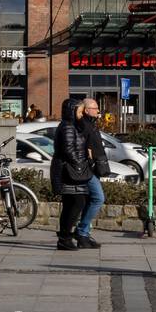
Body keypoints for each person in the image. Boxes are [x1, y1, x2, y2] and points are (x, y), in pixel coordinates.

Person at [49, 98, 91, 251]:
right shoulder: (67, 126)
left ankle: (65, 237)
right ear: (72, 111)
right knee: (77, 202)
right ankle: (65, 237)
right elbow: (68, 150)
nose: (82, 114)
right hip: (68, 171)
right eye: (79, 111)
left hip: (70, 169)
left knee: (70, 205)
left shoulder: (73, 125)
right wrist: (80, 164)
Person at [73, 97, 110, 249]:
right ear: (87, 110)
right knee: (98, 198)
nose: (98, 111)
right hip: (87, 169)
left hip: (94, 168)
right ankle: (81, 231)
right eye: (95, 108)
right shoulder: (84, 125)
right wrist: (90, 161)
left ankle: (85, 235)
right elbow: (84, 147)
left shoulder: (91, 124)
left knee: (90, 200)